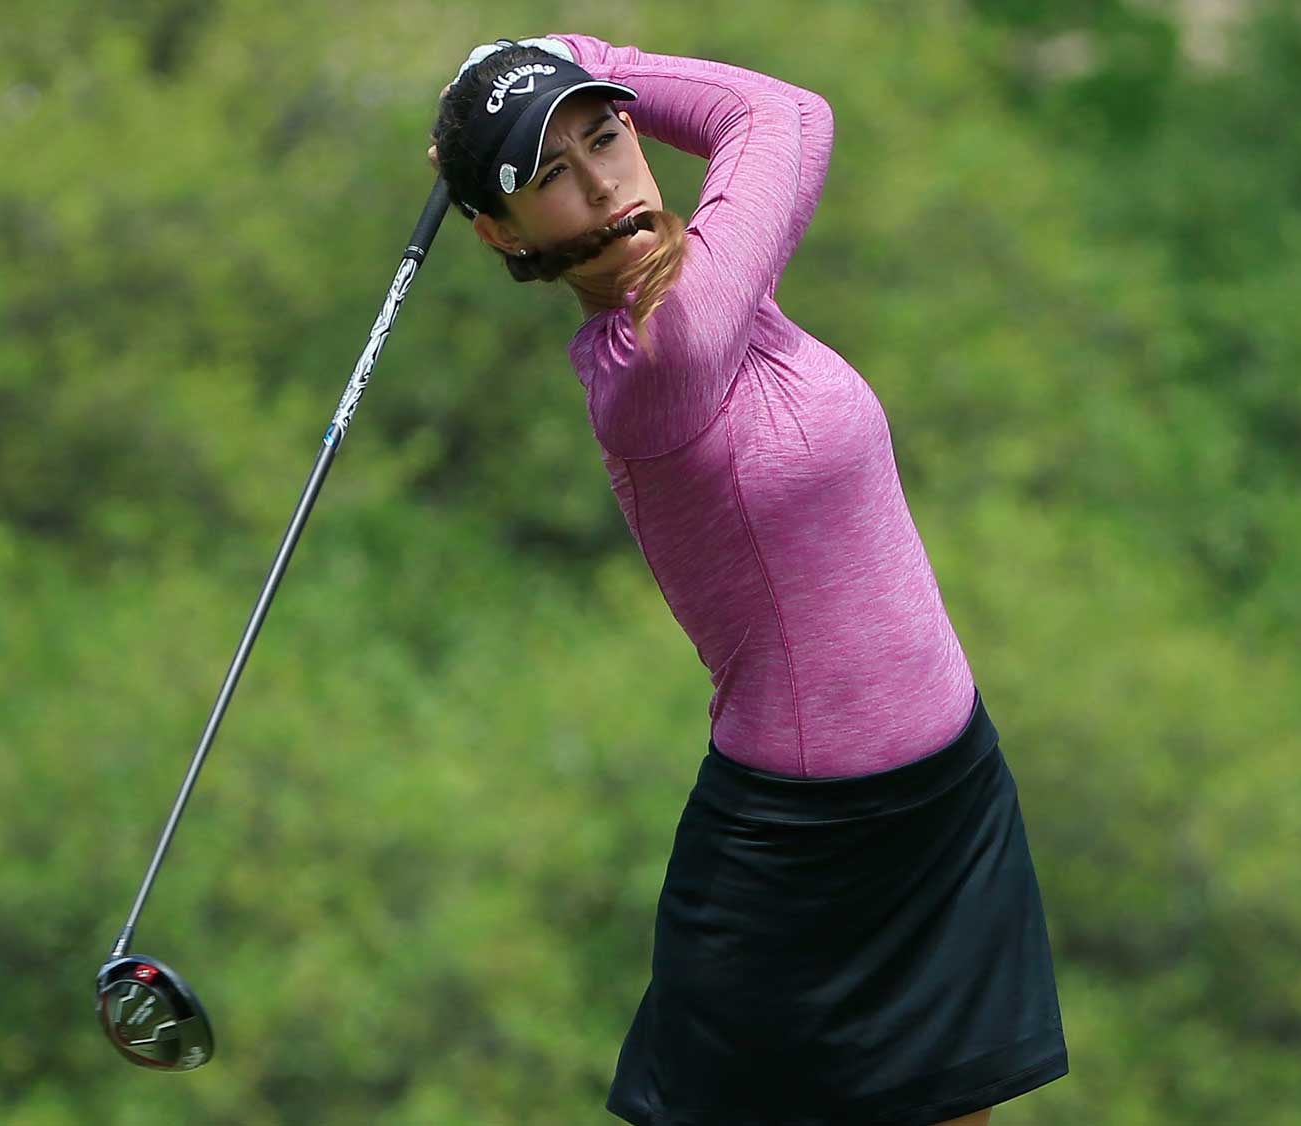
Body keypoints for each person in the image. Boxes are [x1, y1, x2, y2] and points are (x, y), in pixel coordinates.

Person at [427, 34, 1069, 1126]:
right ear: (501, 233)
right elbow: (788, 117)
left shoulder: (727, 292)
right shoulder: (662, 358)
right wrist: (581, 49)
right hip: (799, 856)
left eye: (606, 133)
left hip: (947, 797)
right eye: (549, 178)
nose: (601, 181)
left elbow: (774, 124)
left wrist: (563, 59)